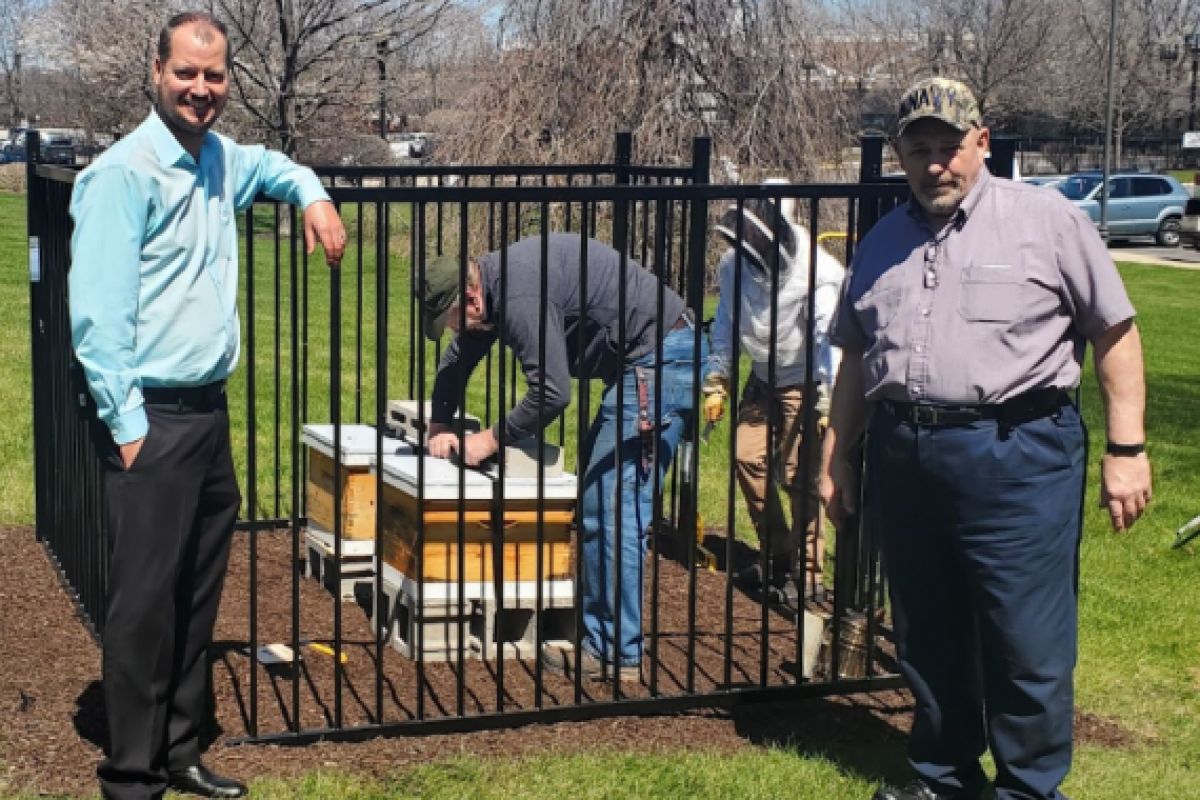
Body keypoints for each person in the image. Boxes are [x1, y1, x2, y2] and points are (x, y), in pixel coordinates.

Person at [819, 77, 1152, 800]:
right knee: (927, 631)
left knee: (1023, 638)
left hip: (1020, 454)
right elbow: (854, 357)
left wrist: (1127, 450)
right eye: (921, 150)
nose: (937, 163)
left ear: (982, 143)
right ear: (901, 157)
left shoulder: (1048, 222)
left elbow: (1115, 332)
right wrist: (837, 454)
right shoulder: (880, 241)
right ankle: (945, 777)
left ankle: (1030, 789)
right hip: (906, 455)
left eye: (950, 146)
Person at [69, 12, 346, 800]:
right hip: (150, 420)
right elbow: (96, 320)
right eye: (187, 73)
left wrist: (314, 196)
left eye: (215, 75)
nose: (201, 89)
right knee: (142, 609)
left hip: (208, 414)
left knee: (195, 595)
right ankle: (131, 776)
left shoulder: (222, 159)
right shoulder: (125, 174)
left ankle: (182, 750)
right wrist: (128, 432)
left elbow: (279, 166)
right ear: (156, 71)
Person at [420, 233, 705, 682]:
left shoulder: (516, 295)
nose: (453, 330)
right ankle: (601, 633)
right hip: (642, 360)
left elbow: (553, 393)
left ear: (471, 298)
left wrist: (491, 439)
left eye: (452, 319)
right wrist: (439, 421)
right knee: (598, 500)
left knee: (614, 505)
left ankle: (616, 652)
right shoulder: (491, 286)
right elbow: (461, 355)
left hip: (660, 359)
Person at [701, 190, 844, 605]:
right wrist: (718, 378)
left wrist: (827, 398)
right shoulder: (733, 267)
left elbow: (826, 338)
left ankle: (810, 573)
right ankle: (777, 552)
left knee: (803, 478)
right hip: (762, 378)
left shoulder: (818, 273)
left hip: (805, 382)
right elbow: (727, 321)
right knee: (748, 457)